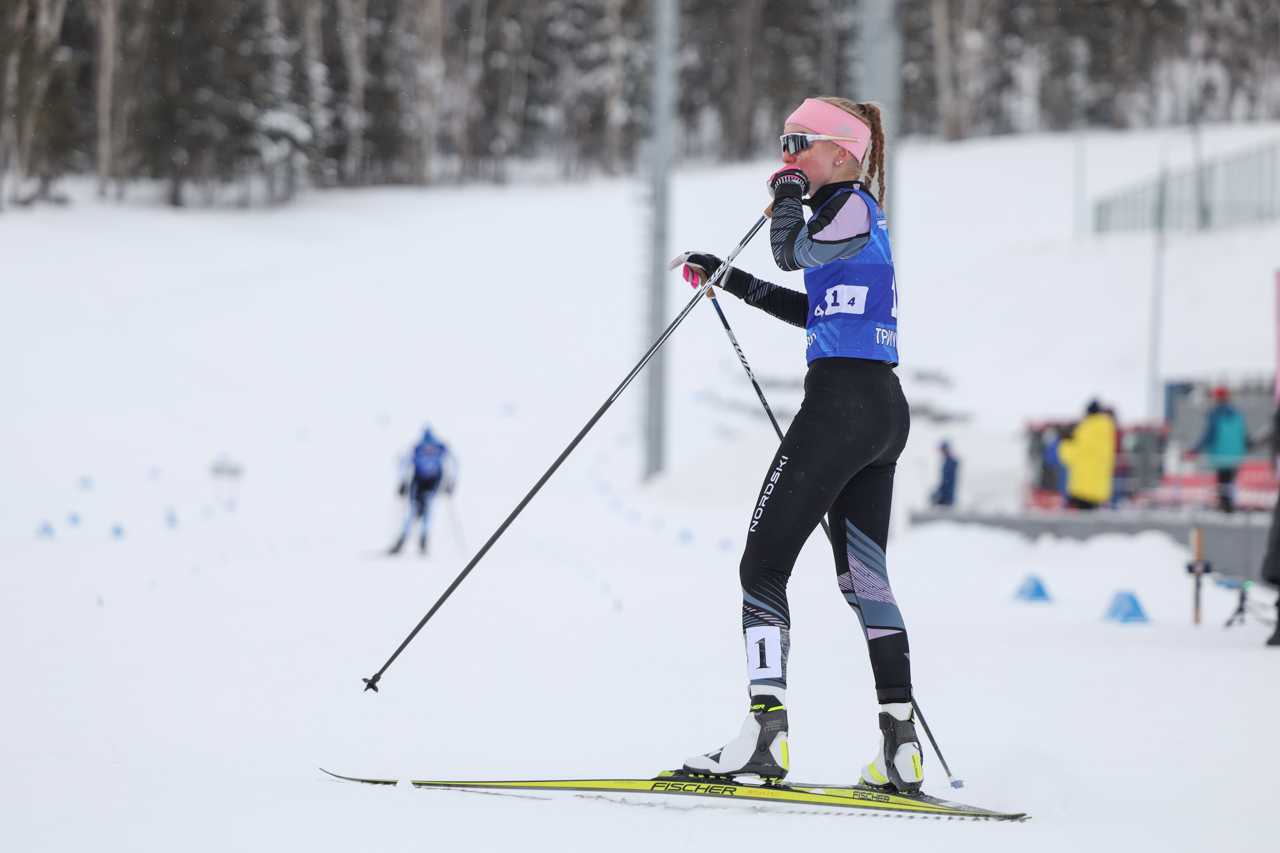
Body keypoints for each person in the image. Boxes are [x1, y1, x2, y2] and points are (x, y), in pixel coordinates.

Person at [670, 98, 920, 792]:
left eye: (799, 144)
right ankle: (901, 751)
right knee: (862, 580)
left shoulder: (850, 205)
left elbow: (791, 250)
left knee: (762, 565)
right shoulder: (852, 219)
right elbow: (813, 305)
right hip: (875, 411)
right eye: (785, 143)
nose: (788, 157)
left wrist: (785, 200)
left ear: (843, 152)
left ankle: (764, 738)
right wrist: (729, 277)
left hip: (844, 408)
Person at [389, 428, 455, 555]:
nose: (429, 449)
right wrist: (402, 482)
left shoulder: (442, 448)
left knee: (428, 508)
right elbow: (402, 462)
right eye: (426, 446)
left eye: (431, 447)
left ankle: (423, 543)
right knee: (412, 510)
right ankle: (401, 541)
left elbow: (455, 462)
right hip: (418, 481)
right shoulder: (416, 448)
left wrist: (451, 482)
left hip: (434, 482)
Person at [1195, 386, 1248, 513]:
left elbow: (1209, 435)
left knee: (1222, 481)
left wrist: (1196, 449)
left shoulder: (1215, 414)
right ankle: (1228, 505)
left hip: (1220, 454)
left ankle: (1224, 506)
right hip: (1235, 455)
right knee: (1228, 480)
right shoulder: (1237, 414)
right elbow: (1243, 435)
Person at [1056, 401, 1115, 510]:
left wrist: (1064, 444)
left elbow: (1075, 454)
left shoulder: (1087, 429)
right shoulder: (1106, 428)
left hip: (1083, 484)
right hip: (1098, 485)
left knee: (1081, 522)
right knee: (1091, 518)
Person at [931, 441, 959, 506]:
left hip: (947, 497)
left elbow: (947, 481)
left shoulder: (950, 463)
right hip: (946, 495)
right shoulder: (948, 462)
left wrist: (940, 492)